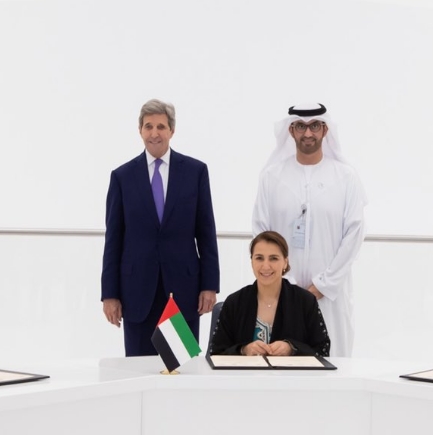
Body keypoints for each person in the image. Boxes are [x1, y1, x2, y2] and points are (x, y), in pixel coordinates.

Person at [101, 99, 220, 356]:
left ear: (172, 130)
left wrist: (209, 285)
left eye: (161, 127)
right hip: (137, 293)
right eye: (148, 126)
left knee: (179, 369)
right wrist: (109, 294)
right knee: (139, 372)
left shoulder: (195, 172)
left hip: (182, 292)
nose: (154, 133)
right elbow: (114, 240)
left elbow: (206, 232)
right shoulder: (122, 177)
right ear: (140, 130)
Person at [251, 103, 367, 355]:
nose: (308, 133)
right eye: (301, 126)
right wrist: (288, 284)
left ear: (325, 130)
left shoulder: (346, 177)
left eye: (315, 126)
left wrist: (322, 286)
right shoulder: (271, 177)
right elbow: (261, 233)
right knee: (282, 362)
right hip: (281, 293)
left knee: (333, 362)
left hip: (330, 298)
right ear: (291, 131)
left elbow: (354, 235)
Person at [210, 231, 331, 357]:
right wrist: (244, 350)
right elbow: (217, 353)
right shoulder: (234, 302)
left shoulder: (306, 301)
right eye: (259, 258)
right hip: (245, 376)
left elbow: (323, 350)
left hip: (291, 377)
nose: (266, 266)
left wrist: (292, 348)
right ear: (252, 262)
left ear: (285, 262)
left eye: (273, 258)